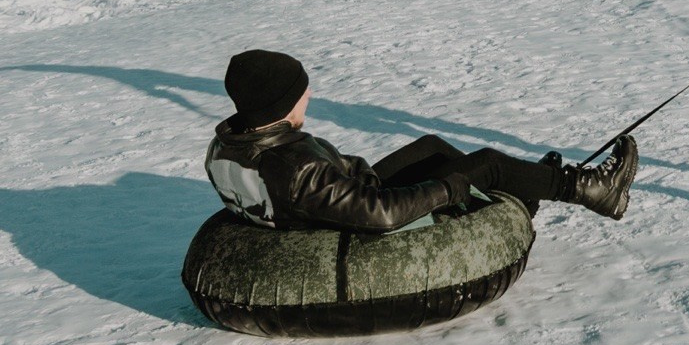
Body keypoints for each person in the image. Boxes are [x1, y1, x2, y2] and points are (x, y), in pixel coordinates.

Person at [205, 49, 638, 232]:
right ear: (280, 103)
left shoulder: (235, 145)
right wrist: (449, 187)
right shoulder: (296, 167)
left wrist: (353, 170)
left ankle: (523, 194)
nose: (310, 95)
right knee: (487, 162)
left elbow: (318, 186)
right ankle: (591, 190)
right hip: (358, 231)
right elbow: (381, 215)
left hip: (332, 204)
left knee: (430, 145)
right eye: (302, 92)